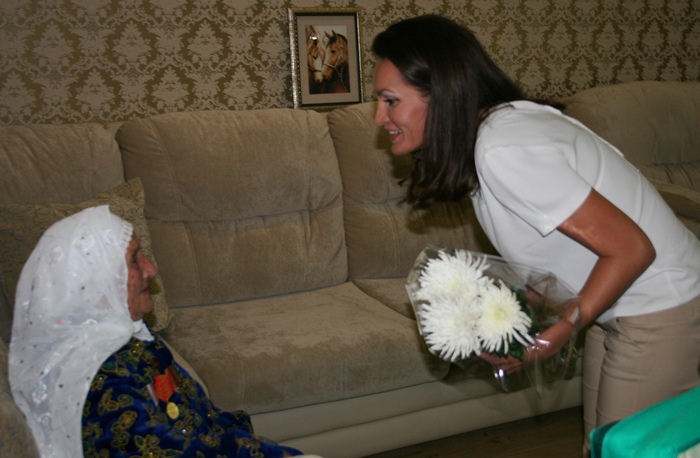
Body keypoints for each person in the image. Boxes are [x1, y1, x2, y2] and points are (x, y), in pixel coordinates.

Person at [371, 14, 700, 454]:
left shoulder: (503, 148)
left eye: (391, 101)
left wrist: (560, 331)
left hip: (661, 306)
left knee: (622, 451)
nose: (380, 116)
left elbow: (632, 248)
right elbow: (561, 256)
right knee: (599, 447)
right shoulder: (498, 131)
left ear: (442, 94)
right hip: (618, 305)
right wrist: (506, 321)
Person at [8, 206, 306, 457]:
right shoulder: (101, 385)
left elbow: (196, 421)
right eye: (134, 259)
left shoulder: (128, 341)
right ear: (95, 281)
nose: (150, 268)